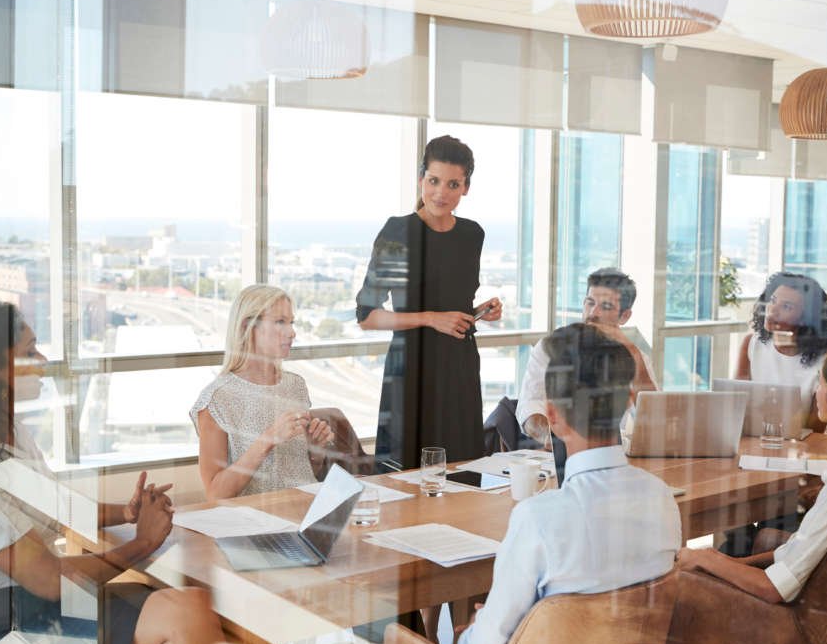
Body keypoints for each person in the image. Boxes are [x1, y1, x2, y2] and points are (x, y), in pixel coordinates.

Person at [0, 300, 224, 644]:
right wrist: (144, 543)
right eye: (30, 352)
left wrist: (127, 511)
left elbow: (52, 506)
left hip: (34, 601)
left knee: (186, 605)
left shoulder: (5, 428)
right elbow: (47, 579)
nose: (43, 362)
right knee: (184, 613)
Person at [456, 323, 681, 644]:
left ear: (552, 415)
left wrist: (471, 631)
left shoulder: (537, 519)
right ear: (629, 401)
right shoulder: (661, 499)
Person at [678, 341, 827, 603]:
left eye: (820, 383)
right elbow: (799, 550)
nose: (815, 391)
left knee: (677, 589)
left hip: (803, 622)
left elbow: (773, 588)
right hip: (823, 593)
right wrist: (730, 562)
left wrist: (705, 557)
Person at [356, 135, 502, 470]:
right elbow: (367, 316)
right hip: (412, 370)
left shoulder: (472, 235)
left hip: (460, 367)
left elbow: (454, 301)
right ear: (421, 178)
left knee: (463, 472)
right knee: (406, 475)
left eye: (453, 184)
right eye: (434, 181)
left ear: (466, 187)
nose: (441, 193)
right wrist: (431, 318)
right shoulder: (398, 233)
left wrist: (481, 311)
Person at [192, 284, 334, 499]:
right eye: (280, 322)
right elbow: (215, 494)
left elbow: (303, 475)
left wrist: (316, 453)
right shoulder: (216, 399)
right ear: (248, 327)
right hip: (255, 523)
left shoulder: (296, 386)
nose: (292, 332)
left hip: (305, 511)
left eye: (291, 322)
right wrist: (266, 441)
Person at [516, 267, 657, 446]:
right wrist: (552, 439)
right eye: (590, 303)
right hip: (562, 457)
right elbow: (530, 408)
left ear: (625, 316)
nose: (593, 313)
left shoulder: (638, 357)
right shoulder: (550, 348)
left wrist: (634, 355)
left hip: (619, 457)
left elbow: (657, 418)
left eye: (605, 306)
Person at [735, 271, 827, 433]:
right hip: (756, 438)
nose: (772, 311)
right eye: (773, 300)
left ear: (806, 318)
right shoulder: (751, 344)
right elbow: (736, 404)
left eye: (786, 307)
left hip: (804, 445)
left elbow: (815, 429)